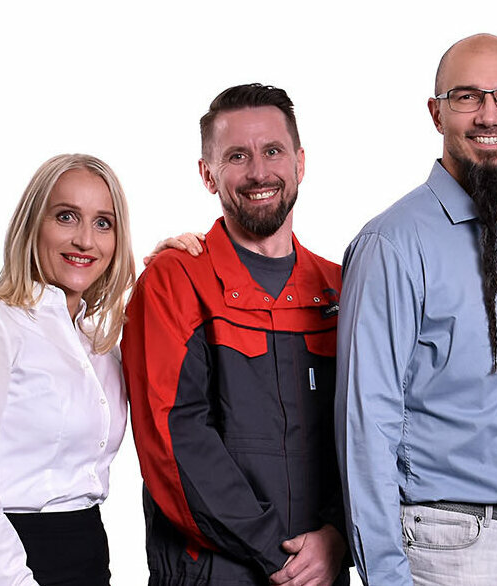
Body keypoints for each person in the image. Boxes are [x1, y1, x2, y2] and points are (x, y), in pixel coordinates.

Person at [337, 33, 497, 586]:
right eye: (467, 96)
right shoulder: (392, 243)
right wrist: (385, 575)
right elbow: (365, 426)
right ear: (437, 112)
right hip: (445, 550)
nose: (489, 115)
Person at [124, 83, 348, 586]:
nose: (259, 172)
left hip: (322, 568)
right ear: (208, 174)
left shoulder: (341, 288)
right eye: (237, 156)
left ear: (300, 162)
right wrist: (280, 554)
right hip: (214, 571)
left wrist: (338, 536)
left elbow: (367, 429)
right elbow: (175, 441)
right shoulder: (173, 281)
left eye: (273, 151)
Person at [0, 154, 134, 586]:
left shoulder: (100, 344)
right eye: (66, 217)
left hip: (89, 554)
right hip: (9, 558)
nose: (85, 240)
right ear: (32, 224)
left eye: (103, 223)